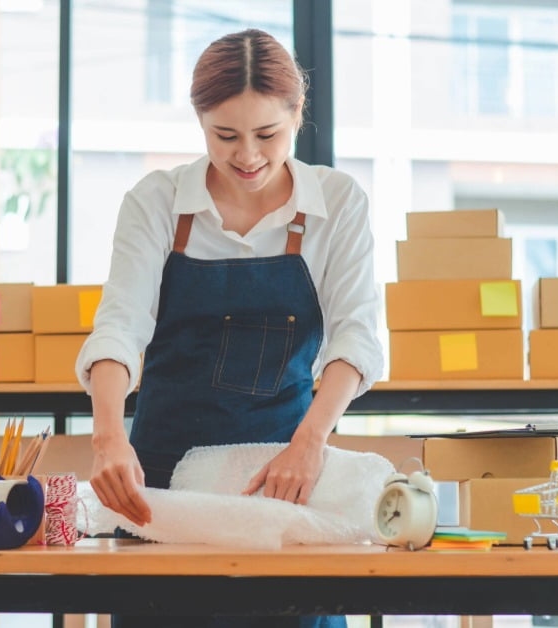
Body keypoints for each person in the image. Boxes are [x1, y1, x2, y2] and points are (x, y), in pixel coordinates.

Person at [74, 28, 384, 628]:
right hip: (164, 488)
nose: (247, 156)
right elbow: (119, 326)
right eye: (225, 136)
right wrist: (108, 437)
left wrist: (310, 444)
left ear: (297, 114)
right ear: (199, 121)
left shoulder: (338, 203)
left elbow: (357, 337)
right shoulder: (157, 201)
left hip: (281, 477)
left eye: (267, 134)